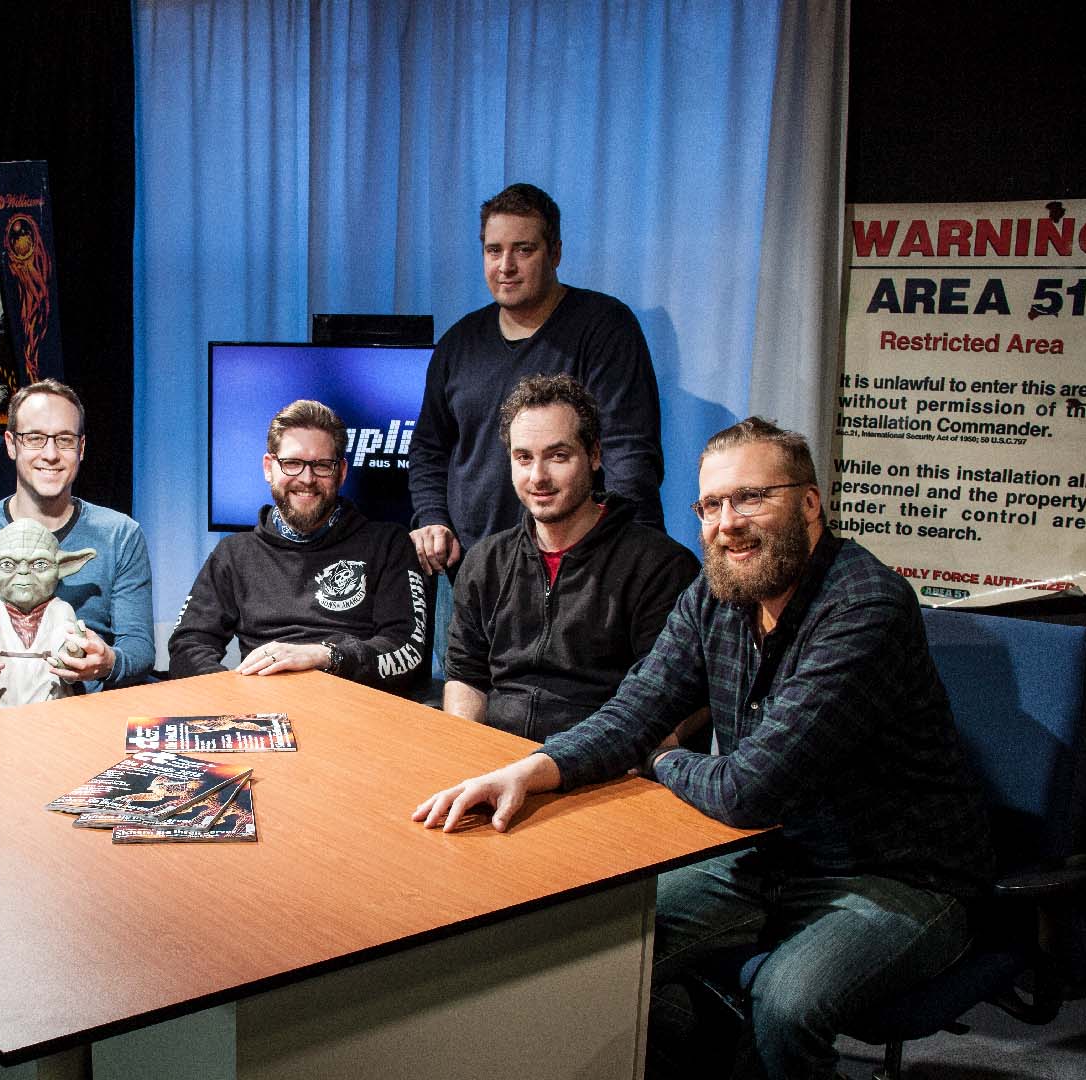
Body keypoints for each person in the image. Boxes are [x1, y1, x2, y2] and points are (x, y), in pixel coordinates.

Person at [414, 417, 993, 1080]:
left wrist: (662, 761)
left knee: (786, 1005)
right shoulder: (719, 593)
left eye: (751, 498)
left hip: (897, 876)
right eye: (711, 505)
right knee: (591, 949)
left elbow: (748, 791)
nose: (728, 524)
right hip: (770, 853)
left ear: (809, 504)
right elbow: (634, 711)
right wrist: (529, 771)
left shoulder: (865, 606)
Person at [408, 181, 665, 581]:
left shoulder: (604, 327)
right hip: (470, 569)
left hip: (576, 569)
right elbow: (429, 447)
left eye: (524, 249)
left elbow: (628, 452)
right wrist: (432, 517)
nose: (505, 266)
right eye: (494, 250)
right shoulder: (458, 343)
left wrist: (632, 555)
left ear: (555, 253)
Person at [445, 374, 697, 741]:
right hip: (496, 756)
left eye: (558, 456)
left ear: (594, 455)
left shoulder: (660, 567)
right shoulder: (485, 562)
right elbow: (466, 677)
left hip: (601, 760)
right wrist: (463, 748)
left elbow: (670, 701)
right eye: (523, 458)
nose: (538, 477)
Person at [168, 399, 429, 698]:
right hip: (265, 710)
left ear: (342, 472)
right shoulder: (233, 553)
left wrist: (325, 656)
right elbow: (188, 646)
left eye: (322, 465)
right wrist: (232, 697)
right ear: (269, 467)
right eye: (292, 463)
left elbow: (406, 651)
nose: (306, 479)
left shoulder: (389, 544)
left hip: (357, 707)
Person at [0, 379, 153, 706]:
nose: (51, 454)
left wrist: (108, 662)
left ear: (81, 448)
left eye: (65, 440)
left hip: (83, 715)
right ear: (11, 444)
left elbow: (139, 649)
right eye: (35, 438)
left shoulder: (120, 535)